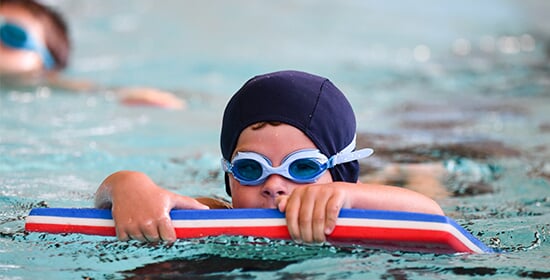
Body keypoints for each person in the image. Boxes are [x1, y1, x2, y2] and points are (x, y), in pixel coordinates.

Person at [95, 70, 444, 244]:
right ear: (230, 179)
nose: (274, 185)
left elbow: (434, 217)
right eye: (250, 169)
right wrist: (128, 183)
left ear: (341, 175)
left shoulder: (357, 207)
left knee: (424, 175)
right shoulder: (216, 215)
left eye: (303, 167)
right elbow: (129, 202)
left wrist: (346, 197)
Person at [0, 0, 184, 109]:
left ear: (47, 63)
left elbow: (97, 91)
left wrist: (129, 94)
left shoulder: (47, 85)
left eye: (13, 35)